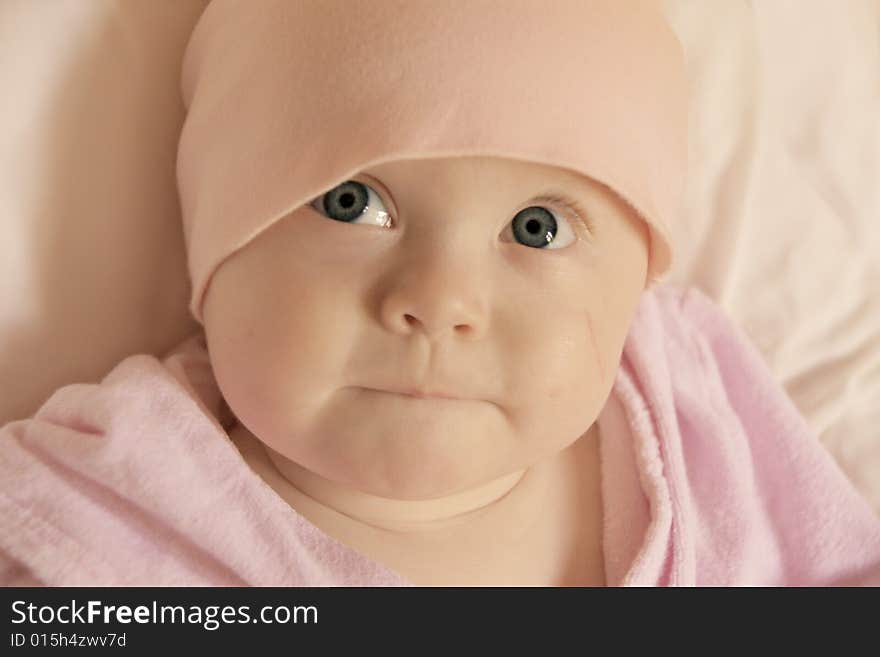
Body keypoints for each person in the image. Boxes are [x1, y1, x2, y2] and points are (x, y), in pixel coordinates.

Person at [1, 0, 878, 587]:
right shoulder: (104, 519)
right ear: (216, 253)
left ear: (631, 287)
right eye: (353, 203)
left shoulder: (693, 411)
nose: (440, 299)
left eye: (537, 228)